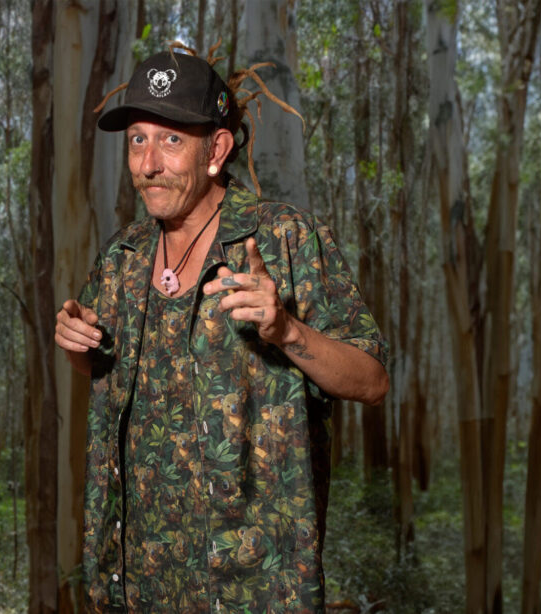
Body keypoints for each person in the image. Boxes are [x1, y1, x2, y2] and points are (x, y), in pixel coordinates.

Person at [54, 48, 389, 613]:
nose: (148, 164)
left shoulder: (285, 238)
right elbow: (105, 373)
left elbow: (373, 381)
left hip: (254, 587)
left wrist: (286, 330)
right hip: (136, 582)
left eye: (170, 140)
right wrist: (77, 343)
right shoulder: (122, 257)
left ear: (216, 150)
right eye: (137, 140)